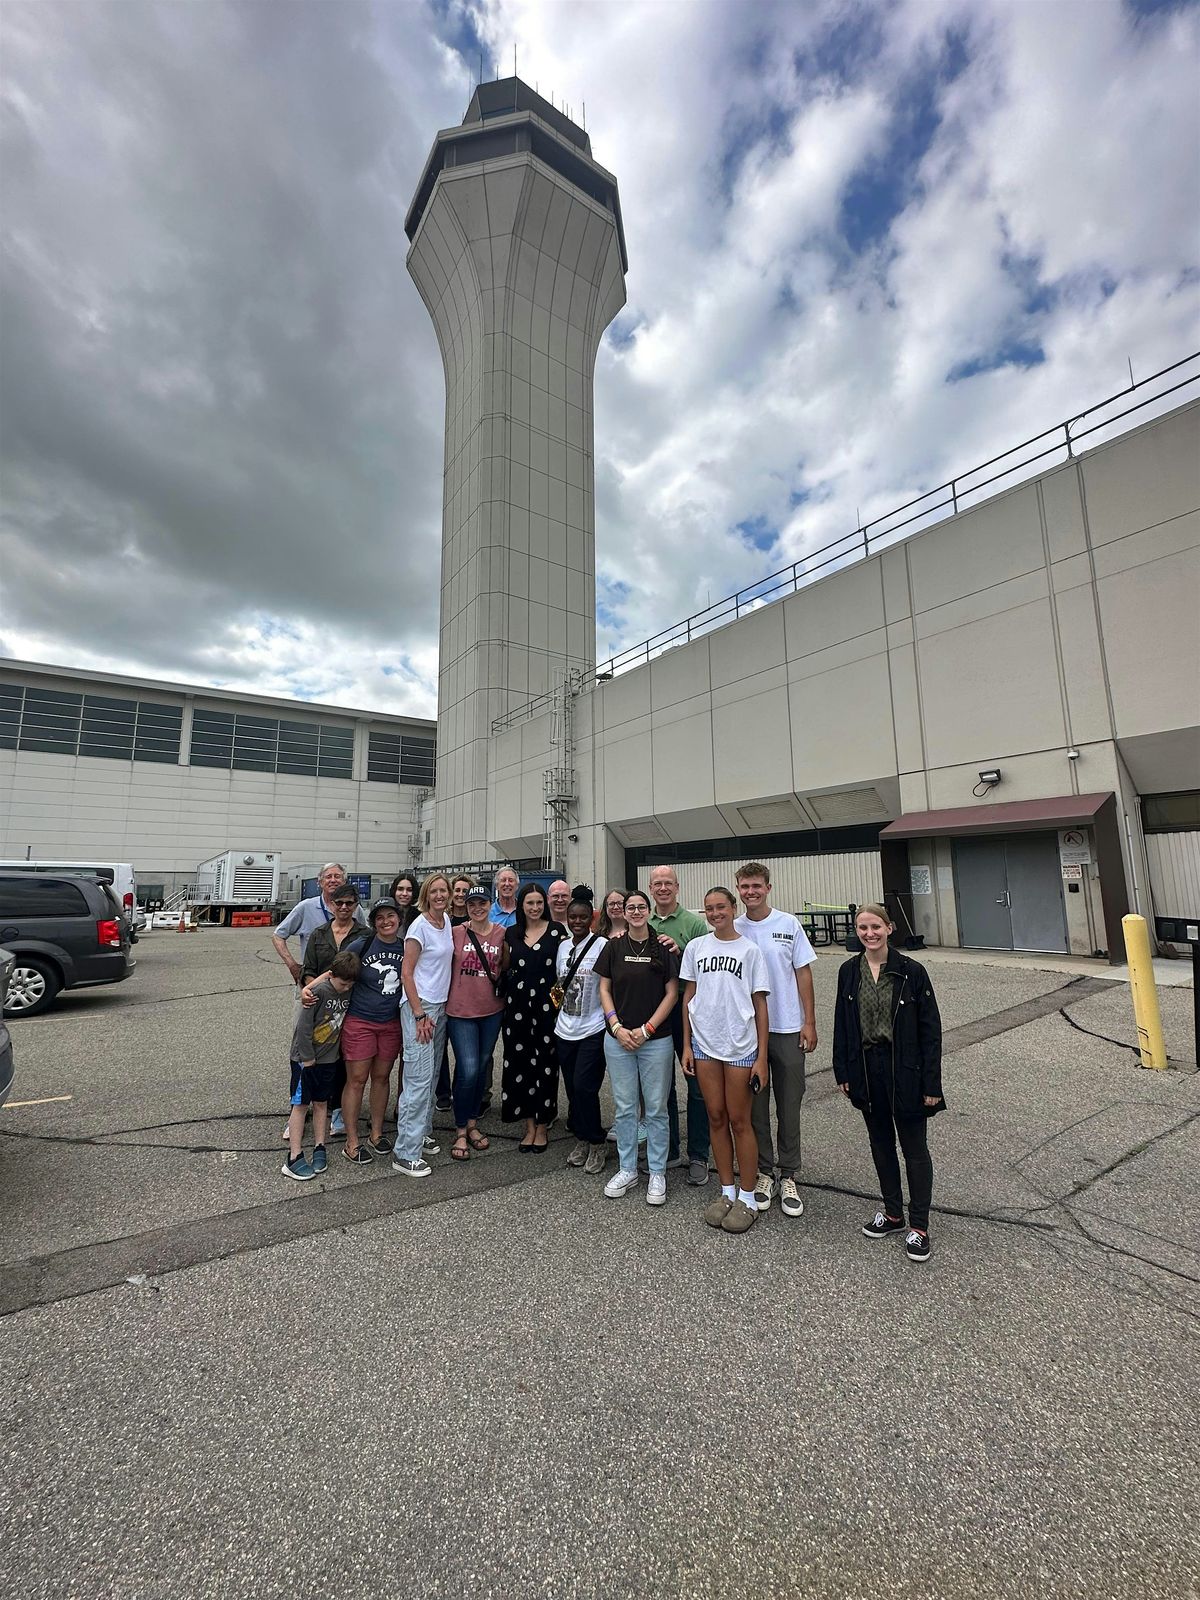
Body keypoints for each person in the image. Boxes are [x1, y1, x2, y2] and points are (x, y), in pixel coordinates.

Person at [833, 903, 944, 1263]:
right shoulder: (849, 971)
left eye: (875, 927)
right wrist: (843, 1072)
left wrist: (931, 1084)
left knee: (914, 1149)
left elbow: (930, 1031)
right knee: (880, 1143)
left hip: (905, 1068)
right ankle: (893, 1213)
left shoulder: (912, 971)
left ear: (890, 928)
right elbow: (843, 1025)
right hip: (867, 1068)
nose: (869, 933)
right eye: (862, 928)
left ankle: (919, 1226)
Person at [681, 887, 770, 1234]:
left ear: (733, 908)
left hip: (740, 1047)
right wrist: (687, 1045)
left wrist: (761, 1057)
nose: (716, 913)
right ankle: (727, 1191)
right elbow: (689, 995)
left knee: (739, 1120)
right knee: (715, 1116)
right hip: (705, 1044)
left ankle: (748, 1197)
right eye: (709, 909)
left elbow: (760, 1005)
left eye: (721, 907)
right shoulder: (696, 948)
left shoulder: (750, 951)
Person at [734, 862, 818, 1218]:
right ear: (737, 889)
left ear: (768, 888)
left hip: (786, 1027)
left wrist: (809, 1021)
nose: (750, 892)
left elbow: (803, 973)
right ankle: (764, 1170)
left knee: (789, 1103)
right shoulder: (733, 927)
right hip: (747, 1033)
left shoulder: (787, 924)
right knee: (755, 1106)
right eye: (744, 886)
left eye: (756, 886)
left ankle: (789, 1173)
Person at [595, 889, 679, 1204]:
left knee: (656, 1109)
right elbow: (604, 987)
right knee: (626, 1107)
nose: (635, 911)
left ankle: (657, 1171)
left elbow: (672, 993)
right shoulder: (613, 947)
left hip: (655, 1040)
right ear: (623, 912)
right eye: (630, 907)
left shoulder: (663, 947)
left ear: (648, 910)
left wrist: (647, 1029)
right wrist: (616, 1026)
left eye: (641, 906)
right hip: (618, 1040)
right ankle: (628, 1168)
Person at [648, 865, 711, 1185]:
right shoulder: (643, 921)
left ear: (677, 887)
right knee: (661, 1088)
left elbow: (708, 969)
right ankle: (669, 1149)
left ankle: (699, 1153)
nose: (662, 888)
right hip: (656, 1010)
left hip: (688, 1011)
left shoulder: (694, 925)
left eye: (667, 883)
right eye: (657, 883)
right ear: (650, 887)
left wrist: (681, 951)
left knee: (697, 1086)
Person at [392, 875, 455, 1179]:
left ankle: (421, 1133)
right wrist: (418, 1014)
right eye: (435, 891)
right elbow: (407, 972)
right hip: (421, 1007)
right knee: (417, 1079)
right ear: (426, 895)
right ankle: (405, 1152)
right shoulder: (419, 926)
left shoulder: (446, 923)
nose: (440, 895)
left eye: (445, 891)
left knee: (430, 1076)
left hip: (439, 1007)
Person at [336, 898, 406, 1165]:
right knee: (356, 1080)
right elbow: (338, 972)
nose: (386, 921)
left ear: (399, 919)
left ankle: (376, 1132)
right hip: (361, 1021)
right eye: (380, 918)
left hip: (390, 1023)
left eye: (391, 916)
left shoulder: (405, 947)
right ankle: (351, 1141)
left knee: (381, 1077)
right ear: (373, 922)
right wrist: (311, 988)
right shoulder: (362, 945)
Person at [283, 951, 360, 1181]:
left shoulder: (347, 989)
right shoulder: (317, 992)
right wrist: (307, 1058)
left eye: (350, 984)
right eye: (342, 983)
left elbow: (339, 979)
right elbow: (304, 1028)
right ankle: (294, 1156)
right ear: (332, 976)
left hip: (328, 1058)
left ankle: (320, 1146)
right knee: (300, 1103)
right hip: (305, 1059)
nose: (346, 988)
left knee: (321, 1103)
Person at [445, 884, 508, 1161]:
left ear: (490, 903)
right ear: (466, 906)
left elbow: (506, 966)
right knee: (468, 1068)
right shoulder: (456, 933)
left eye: (482, 903)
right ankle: (460, 1128)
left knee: (482, 1066)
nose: (477, 908)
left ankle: (472, 1123)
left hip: (492, 1010)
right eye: (472, 904)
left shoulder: (501, 933)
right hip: (461, 1011)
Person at [300, 882, 369, 1138]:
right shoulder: (318, 934)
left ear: (355, 906)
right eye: (338, 903)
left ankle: (338, 1109)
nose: (343, 907)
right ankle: (300, 1107)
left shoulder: (364, 935)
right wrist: (313, 991)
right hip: (319, 1006)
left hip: (349, 1006)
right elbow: (308, 968)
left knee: (343, 1059)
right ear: (331, 905)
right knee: (309, 1055)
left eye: (349, 903)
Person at [501, 882, 566, 1151]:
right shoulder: (511, 933)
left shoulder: (557, 932)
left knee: (546, 1066)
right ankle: (528, 1125)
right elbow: (504, 968)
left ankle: (543, 1125)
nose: (535, 908)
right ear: (522, 905)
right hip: (516, 1010)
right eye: (530, 903)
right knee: (520, 1066)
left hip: (547, 1009)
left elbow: (564, 972)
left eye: (540, 903)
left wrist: (558, 1005)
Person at [554, 892, 607, 1175]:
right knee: (573, 1089)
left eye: (582, 917)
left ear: (592, 919)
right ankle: (582, 1138)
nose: (577, 921)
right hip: (564, 1028)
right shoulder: (562, 947)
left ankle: (597, 1141)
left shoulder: (602, 945)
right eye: (572, 917)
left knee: (586, 1086)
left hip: (593, 1027)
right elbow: (558, 984)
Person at [271, 862, 365, 981]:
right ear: (320, 882)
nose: (333, 880)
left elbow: (366, 939)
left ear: (344, 882)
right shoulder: (305, 907)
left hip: (347, 983)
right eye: (328, 876)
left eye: (337, 876)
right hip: (312, 980)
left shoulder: (355, 909)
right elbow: (278, 936)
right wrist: (292, 965)